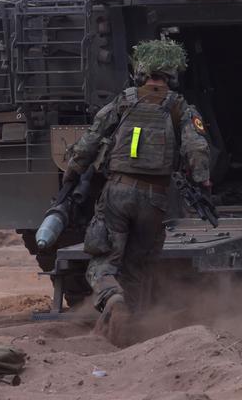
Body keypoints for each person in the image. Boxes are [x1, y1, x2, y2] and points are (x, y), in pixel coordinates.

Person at [61, 39, 211, 346]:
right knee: (138, 267)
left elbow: (90, 141)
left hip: (118, 191)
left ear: (140, 73)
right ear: (172, 75)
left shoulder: (123, 102)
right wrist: (203, 183)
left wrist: (71, 174)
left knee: (102, 261)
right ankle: (129, 329)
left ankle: (112, 299)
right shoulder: (181, 108)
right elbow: (197, 149)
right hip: (155, 198)